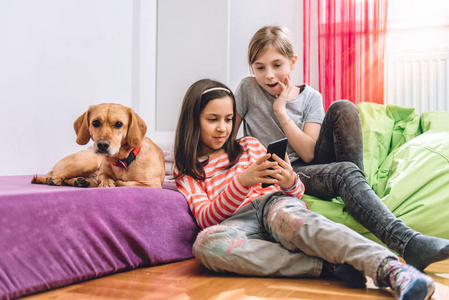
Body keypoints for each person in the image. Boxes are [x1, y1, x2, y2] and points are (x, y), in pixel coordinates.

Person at [174, 78, 435, 300]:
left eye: (229, 119)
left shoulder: (250, 146)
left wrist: (289, 181)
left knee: (299, 222)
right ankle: (326, 266)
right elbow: (207, 218)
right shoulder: (186, 170)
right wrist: (242, 181)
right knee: (207, 244)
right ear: (193, 121)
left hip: (272, 204)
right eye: (212, 119)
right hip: (234, 223)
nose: (223, 128)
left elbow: (296, 192)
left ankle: (391, 269)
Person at [234, 25, 449, 272]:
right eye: (259, 68)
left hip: (308, 162)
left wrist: (281, 112)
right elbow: (229, 137)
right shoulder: (247, 90)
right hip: (284, 172)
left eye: (277, 65)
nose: (269, 75)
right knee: (344, 171)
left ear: (292, 62)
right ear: (252, 68)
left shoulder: (310, 97)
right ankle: (409, 243)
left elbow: (308, 154)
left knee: (344, 107)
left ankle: (360, 194)